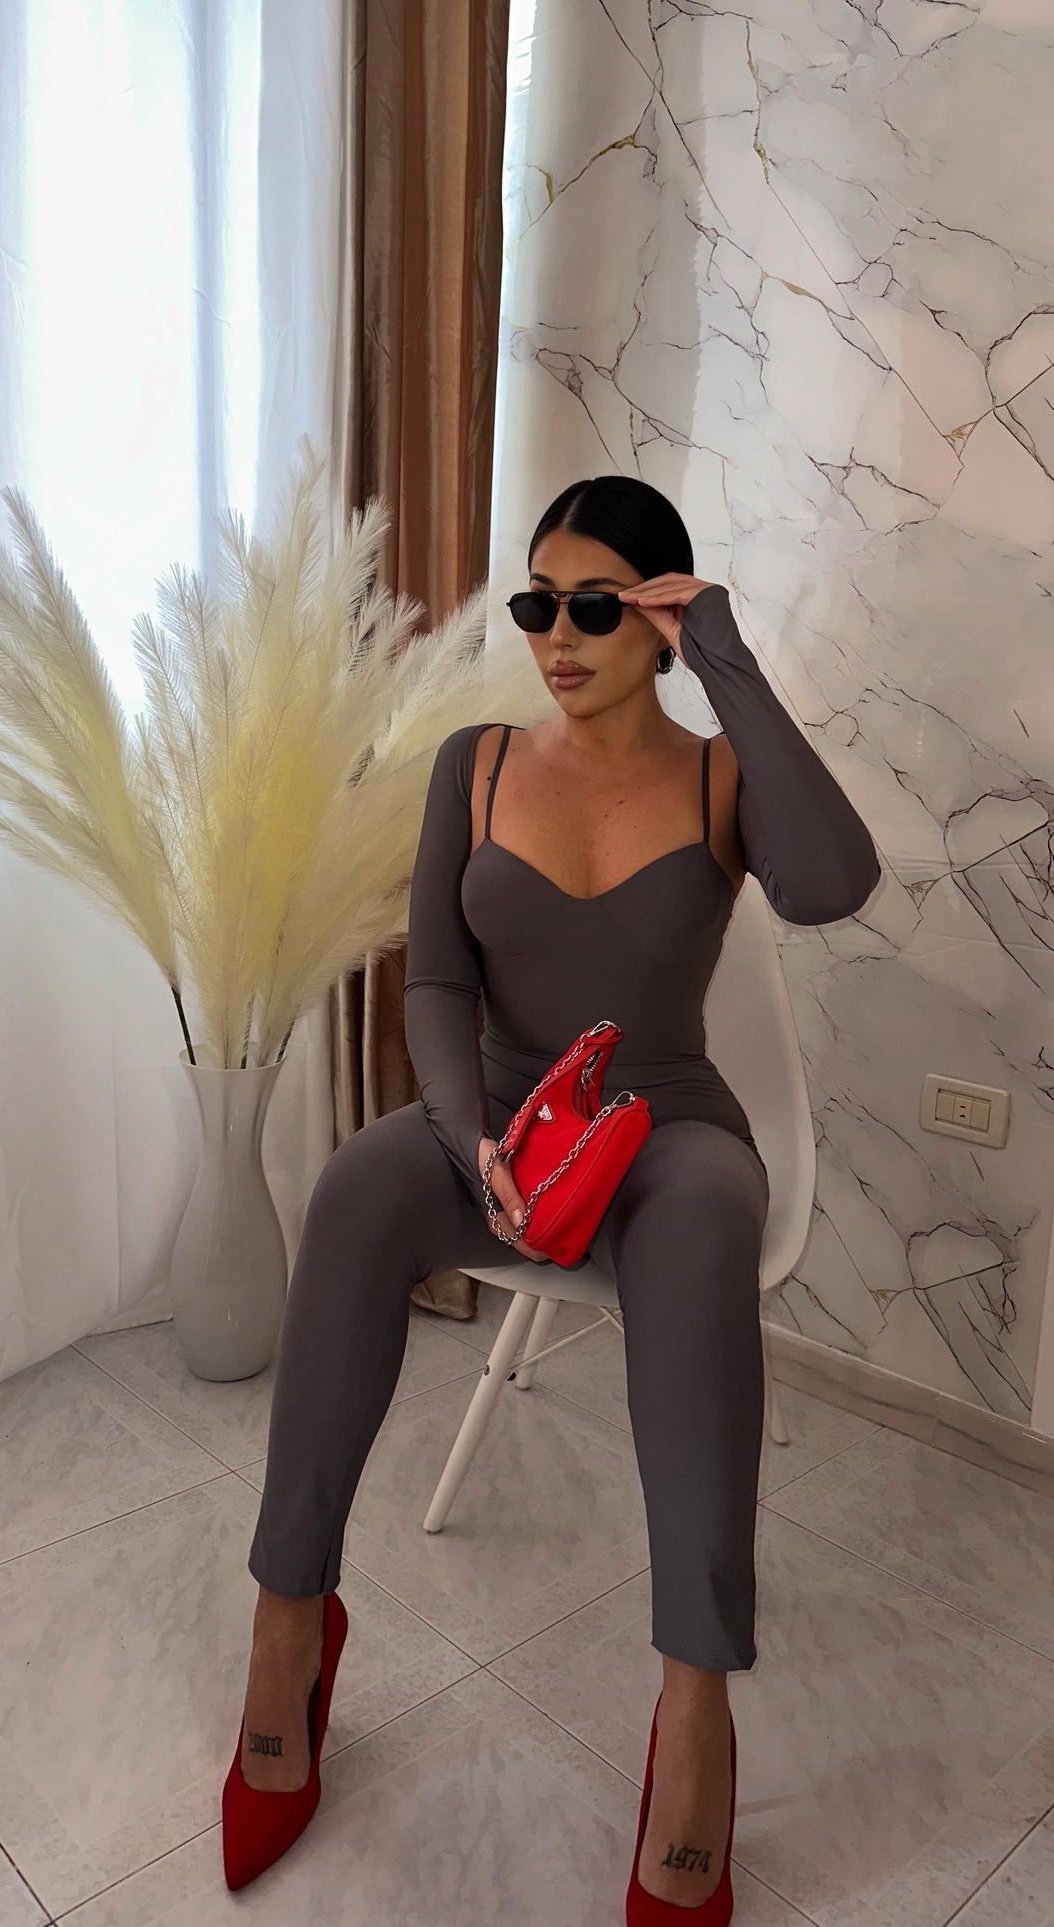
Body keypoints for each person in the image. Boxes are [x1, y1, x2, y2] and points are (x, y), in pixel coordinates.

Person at [223, 475, 882, 1916]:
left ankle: (694, 1711)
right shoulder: (473, 765)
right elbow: (437, 983)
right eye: (537, 605)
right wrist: (474, 1145)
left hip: (665, 1129)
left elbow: (833, 884)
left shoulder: (719, 778)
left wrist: (728, 661)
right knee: (354, 1190)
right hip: (497, 1130)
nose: (556, 637)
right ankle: (288, 1626)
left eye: (593, 606)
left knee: (703, 1233)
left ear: (659, 618)